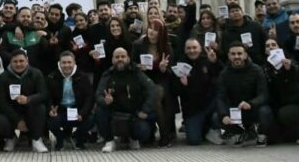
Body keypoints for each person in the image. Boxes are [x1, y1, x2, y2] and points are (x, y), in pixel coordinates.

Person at [95, 47, 157, 152]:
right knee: (100, 111)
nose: (120, 59)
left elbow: (153, 89)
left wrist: (145, 109)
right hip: (114, 113)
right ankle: (110, 141)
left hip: (134, 113)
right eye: (117, 57)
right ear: (112, 60)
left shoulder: (136, 72)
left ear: (128, 58)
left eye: (123, 56)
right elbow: (98, 94)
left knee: (143, 131)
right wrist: (105, 101)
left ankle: (133, 138)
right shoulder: (107, 74)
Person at [216, 42, 272, 147]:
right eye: (233, 54)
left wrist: (251, 103)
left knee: (265, 111)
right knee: (216, 117)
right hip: (236, 110)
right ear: (228, 56)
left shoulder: (257, 70)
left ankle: (261, 134)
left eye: (239, 53)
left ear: (245, 55)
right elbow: (220, 97)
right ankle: (240, 132)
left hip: (254, 108)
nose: (236, 57)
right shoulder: (224, 73)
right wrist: (224, 115)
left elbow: (264, 94)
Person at [0, 49, 49, 153]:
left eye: (21, 61)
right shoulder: (3, 77)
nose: (18, 64)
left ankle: (36, 139)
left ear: (27, 60)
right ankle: (11, 138)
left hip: (30, 110)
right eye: (15, 61)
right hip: (12, 112)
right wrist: (17, 120)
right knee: (0, 120)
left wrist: (29, 99)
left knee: (40, 108)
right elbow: (1, 101)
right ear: (10, 62)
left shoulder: (36, 73)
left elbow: (44, 94)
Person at [130, 18, 174, 147]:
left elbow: (171, 70)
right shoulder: (138, 44)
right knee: (154, 94)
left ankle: (164, 134)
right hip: (144, 78)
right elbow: (131, 65)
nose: (151, 31)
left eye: (155, 29)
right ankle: (159, 133)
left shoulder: (167, 47)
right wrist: (138, 66)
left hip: (161, 79)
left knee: (157, 93)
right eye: (150, 28)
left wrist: (163, 68)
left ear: (161, 33)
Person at [262, 38, 299, 145]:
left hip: (297, 104)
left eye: (273, 44)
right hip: (277, 105)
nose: (270, 47)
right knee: (273, 138)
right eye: (267, 46)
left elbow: (298, 73)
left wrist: (289, 70)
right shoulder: (265, 68)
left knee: (285, 114)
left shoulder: (290, 62)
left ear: (279, 48)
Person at [173, 38, 222, 146]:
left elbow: (221, 76)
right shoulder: (180, 65)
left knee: (220, 111)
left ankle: (213, 128)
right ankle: (202, 128)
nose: (192, 50)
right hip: (192, 110)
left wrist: (214, 62)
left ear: (200, 49)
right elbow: (175, 91)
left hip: (210, 105)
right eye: (189, 48)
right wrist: (183, 85)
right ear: (185, 50)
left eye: (194, 47)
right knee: (194, 141)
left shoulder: (207, 59)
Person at [46, 51, 94, 150]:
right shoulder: (52, 76)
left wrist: (83, 113)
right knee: (50, 120)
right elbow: (47, 96)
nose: (67, 65)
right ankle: (60, 138)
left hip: (77, 111)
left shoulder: (82, 76)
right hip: (60, 111)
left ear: (74, 63)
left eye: (69, 62)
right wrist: (50, 109)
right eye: (64, 63)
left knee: (91, 119)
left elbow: (89, 97)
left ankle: (77, 138)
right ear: (59, 63)